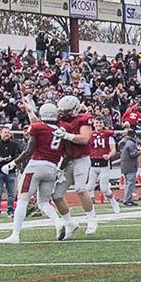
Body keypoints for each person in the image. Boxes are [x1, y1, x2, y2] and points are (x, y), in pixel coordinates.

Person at [0, 102, 69, 243]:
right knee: (43, 202)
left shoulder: (37, 128)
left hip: (36, 166)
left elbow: (29, 150)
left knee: (23, 200)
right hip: (52, 168)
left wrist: (13, 163)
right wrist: (60, 169)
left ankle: (15, 235)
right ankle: (58, 222)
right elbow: (68, 153)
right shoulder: (62, 130)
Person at [53, 95, 101, 235]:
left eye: (66, 111)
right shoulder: (59, 120)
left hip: (81, 158)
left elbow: (85, 139)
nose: (63, 114)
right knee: (56, 195)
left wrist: (66, 135)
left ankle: (91, 219)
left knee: (80, 188)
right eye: (62, 111)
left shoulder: (84, 119)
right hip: (66, 160)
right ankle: (69, 223)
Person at [0, 126, 22, 217]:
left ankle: (10, 210)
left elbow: (18, 156)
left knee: (11, 193)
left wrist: (12, 160)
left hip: (10, 171)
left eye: (8, 133)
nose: (7, 134)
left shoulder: (14, 145)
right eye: (5, 132)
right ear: (0, 134)